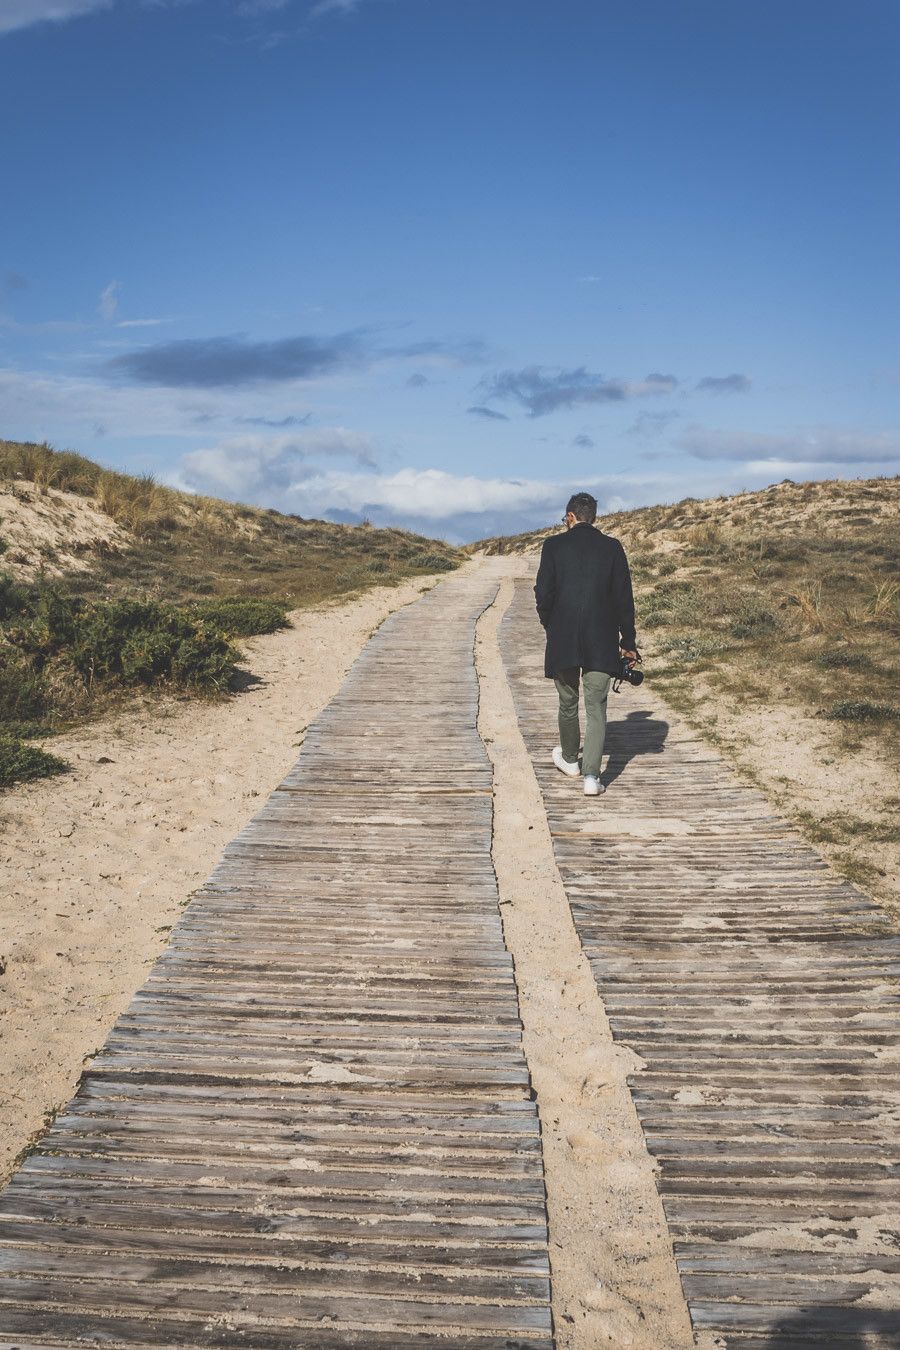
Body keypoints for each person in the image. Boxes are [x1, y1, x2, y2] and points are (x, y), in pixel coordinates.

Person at [534, 491, 638, 797]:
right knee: (596, 708)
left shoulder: (553, 546)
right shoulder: (612, 548)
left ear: (570, 517)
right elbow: (623, 600)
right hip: (601, 639)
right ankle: (592, 777)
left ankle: (569, 760)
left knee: (567, 702)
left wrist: (550, 624)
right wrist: (628, 642)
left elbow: (543, 593)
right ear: (592, 517)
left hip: (563, 637)